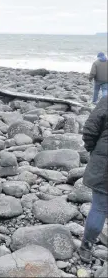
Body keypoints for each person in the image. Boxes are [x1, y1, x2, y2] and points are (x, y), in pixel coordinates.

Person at [78, 95, 108, 263]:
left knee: (99, 207)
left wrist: (92, 150)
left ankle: (86, 247)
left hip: (104, 161)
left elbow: (90, 129)